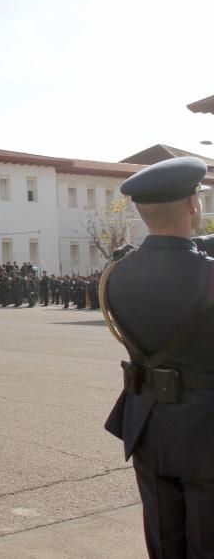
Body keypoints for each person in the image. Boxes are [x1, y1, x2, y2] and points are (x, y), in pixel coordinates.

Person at [102, 157, 214, 559]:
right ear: (192, 205)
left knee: (165, 543)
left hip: (148, 424)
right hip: (205, 431)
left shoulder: (115, 275)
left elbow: (172, 263)